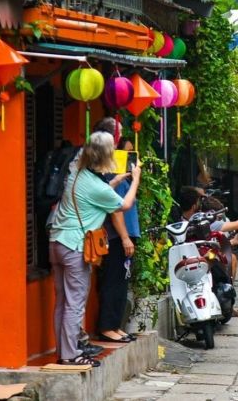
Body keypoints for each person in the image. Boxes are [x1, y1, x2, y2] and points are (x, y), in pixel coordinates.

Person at [49, 131, 141, 367]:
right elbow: (124, 204)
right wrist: (136, 179)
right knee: (74, 303)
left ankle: (64, 351)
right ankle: (70, 356)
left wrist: (115, 181)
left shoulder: (75, 173)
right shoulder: (95, 187)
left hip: (57, 242)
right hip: (75, 247)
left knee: (62, 301)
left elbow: (94, 193)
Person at [97, 136, 139, 343]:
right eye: (126, 153)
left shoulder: (123, 178)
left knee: (122, 281)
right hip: (116, 237)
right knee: (113, 281)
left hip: (126, 236)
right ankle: (107, 326)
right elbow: (116, 210)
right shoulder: (113, 176)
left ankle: (115, 325)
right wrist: (124, 237)